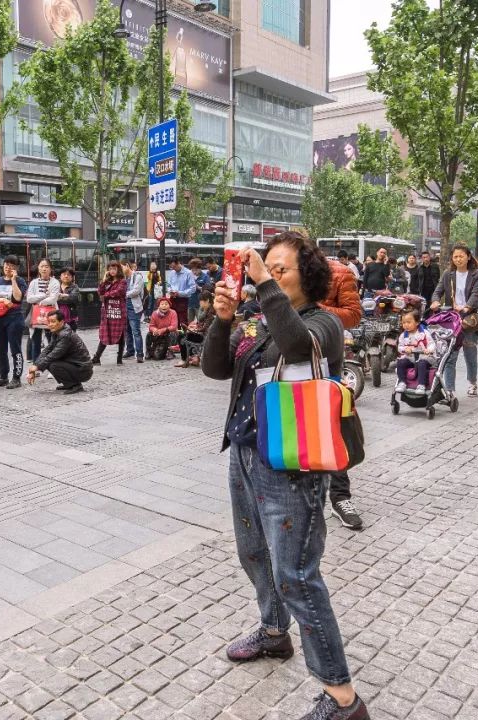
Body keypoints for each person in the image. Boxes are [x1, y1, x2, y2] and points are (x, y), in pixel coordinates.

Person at [202, 232, 369, 720]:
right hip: (245, 454)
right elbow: (215, 368)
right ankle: (275, 632)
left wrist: (262, 284)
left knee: (296, 576)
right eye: (266, 268)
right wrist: (223, 319)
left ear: (307, 276)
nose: (271, 276)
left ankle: (343, 698)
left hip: (293, 467)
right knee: (253, 553)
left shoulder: (323, 322)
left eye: (281, 270)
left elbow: (298, 347)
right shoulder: (260, 323)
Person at [321, 256, 364, 531]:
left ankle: (340, 497)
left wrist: (315, 311)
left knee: (333, 429)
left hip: (328, 361)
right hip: (289, 360)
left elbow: (353, 314)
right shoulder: (278, 272)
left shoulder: (338, 272)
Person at [430, 244, 478, 398]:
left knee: (470, 354)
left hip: (469, 319)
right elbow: (438, 291)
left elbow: (476, 294)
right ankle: (450, 390)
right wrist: (435, 301)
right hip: (451, 320)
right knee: (450, 355)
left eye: (461, 256)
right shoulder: (448, 274)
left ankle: (472, 383)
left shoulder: (476, 274)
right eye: (455, 257)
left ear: (468, 257)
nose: (458, 259)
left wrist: (466, 307)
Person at [27, 310, 93, 394]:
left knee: (53, 364)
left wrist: (36, 367)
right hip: (75, 365)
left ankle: (75, 385)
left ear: (61, 322)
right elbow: (47, 350)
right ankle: (68, 384)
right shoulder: (57, 332)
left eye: (53, 321)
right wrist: (35, 365)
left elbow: (54, 354)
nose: (50, 324)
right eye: (49, 322)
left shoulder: (65, 335)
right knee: (48, 362)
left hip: (83, 370)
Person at [0, 255, 28, 388]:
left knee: (15, 348)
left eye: (11, 265)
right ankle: (3, 376)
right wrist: (4, 300)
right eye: (6, 264)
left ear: (16, 268)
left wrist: (13, 280)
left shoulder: (20, 281)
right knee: (0, 349)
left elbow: (18, 297)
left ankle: (16, 378)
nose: (8, 267)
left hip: (15, 318)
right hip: (0, 318)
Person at [26, 258, 61, 361]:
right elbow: (29, 299)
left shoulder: (55, 282)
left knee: (52, 341)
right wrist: (44, 296)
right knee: (35, 341)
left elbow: (53, 298)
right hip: (36, 315)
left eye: (46, 266)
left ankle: (52, 364)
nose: (44, 269)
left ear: (50, 269)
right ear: (38, 268)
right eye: (42, 266)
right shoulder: (33, 283)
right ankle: (36, 364)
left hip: (51, 314)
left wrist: (40, 302)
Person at [93, 261, 128, 364]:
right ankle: (96, 357)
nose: (112, 271)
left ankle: (119, 359)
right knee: (105, 334)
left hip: (119, 312)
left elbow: (119, 292)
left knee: (121, 334)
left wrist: (106, 295)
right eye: (110, 269)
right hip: (107, 312)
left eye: (114, 269)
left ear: (118, 270)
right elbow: (100, 291)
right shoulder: (107, 282)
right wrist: (104, 280)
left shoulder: (122, 281)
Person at [395, 309, 436, 393]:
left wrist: (429, 349)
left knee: (422, 363)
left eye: (408, 322)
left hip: (424, 357)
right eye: (404, 323)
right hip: (411, 358)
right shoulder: (403, 335)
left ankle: (421, 385)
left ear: (417, 322)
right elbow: (400, 347)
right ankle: (402, 382)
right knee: (401, 362)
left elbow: (432, 344)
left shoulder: (424, 333)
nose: (406, 325)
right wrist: (405, 349)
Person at [174, 290, 214, 368]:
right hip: (202, 334)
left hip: (204, 337)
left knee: (181, 337)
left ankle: (184, 359)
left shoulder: (211, 312)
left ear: (207, 300)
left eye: (201, 301)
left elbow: (205, 328)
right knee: (182, 334)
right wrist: (194, 327)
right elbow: (200, 322)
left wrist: (195, 330)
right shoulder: (206, 309)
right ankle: (190, 357)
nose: (199, 303)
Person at [122, 260, 145, 362]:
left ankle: (140, 354)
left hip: (134, 307)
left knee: (136, 331)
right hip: (124, 307)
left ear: (127, 266)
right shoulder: (123, 278)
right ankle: (130, 350)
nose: (120, 270)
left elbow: (136, 291)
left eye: (121, 267)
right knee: (127, 331)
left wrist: (123, 294)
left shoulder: (137, 276)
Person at [166, 258, 196, 326]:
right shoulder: (172, 273)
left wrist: (180, 293)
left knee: (182, 320)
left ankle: (183, 332)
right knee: (172, 319)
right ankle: (174, 332)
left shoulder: (188, 273)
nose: (173, 269)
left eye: (174, 267)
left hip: (183, 299)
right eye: (171, 267)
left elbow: (193, 288)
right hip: (172, 299)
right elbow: (168, 285)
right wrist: (170, 291)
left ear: (178, 263)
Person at [56, 267, 81, 332]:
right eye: (64, 274)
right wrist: (66, 296)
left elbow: (72, 298)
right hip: (56, 317)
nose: (66, 276)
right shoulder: (55, 286)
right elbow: (51, 297)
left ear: (72, 277)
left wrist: (58, 296)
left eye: (69, 275)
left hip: (70, 317)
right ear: (60, 276)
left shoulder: (75, 287)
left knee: (70, 336)